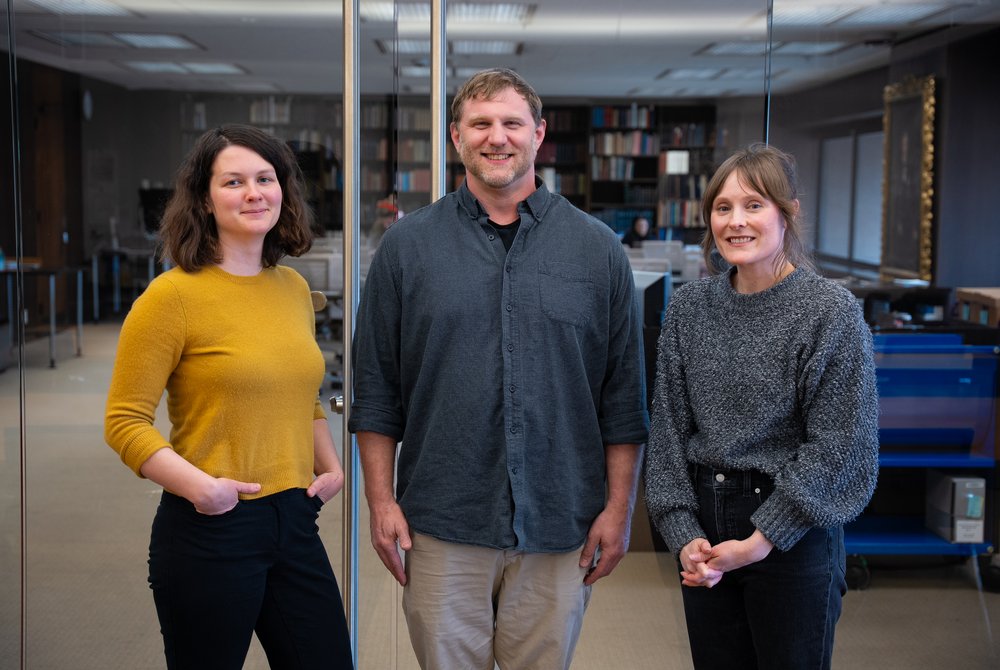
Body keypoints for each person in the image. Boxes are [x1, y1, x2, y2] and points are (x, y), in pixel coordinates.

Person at [349, 68, 649, 670]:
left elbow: (622, 399)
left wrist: (619, 510)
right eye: (480, 124)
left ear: (538, 134)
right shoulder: (407, 249)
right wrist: (381, 503)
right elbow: (376, 390)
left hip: (561, 522)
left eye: (512, 122)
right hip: (442, 521)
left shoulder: (596, 251)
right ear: (456, 137)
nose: (497, 137)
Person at [105, 124, 354, 670]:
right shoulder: (171, 296)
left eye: (265, 178)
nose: (253, 192)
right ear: (204, 198)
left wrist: (330, 465)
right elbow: (125, 421)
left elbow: (302, 394)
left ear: (283, 190)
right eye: (234, 181)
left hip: (295, 518)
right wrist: (202, 489)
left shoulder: (291, 289)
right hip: (211, 524)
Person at [643, 142, 879, 669]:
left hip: (794, 528)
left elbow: (842, 445)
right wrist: (684, 536)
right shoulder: (689, 307)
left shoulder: (828, 311)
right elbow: (669, 430)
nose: (735, 221)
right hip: (705, 523)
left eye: (753, 205)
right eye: (722, 207)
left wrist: (760, 539)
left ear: (788, 212)